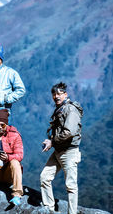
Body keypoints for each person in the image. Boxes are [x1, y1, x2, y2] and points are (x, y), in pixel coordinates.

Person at [40, 82, 83, 214]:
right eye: (54, 94)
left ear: (65, 94)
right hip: (59, 151)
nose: (56, 96)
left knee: (71, 186)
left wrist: (52, 141)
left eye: (59, 93)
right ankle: (49, 208)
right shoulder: (60, 109)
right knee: (44, 177)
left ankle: (72, 212)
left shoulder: (70, 109)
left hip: (69, 151)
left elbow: (69, 132)